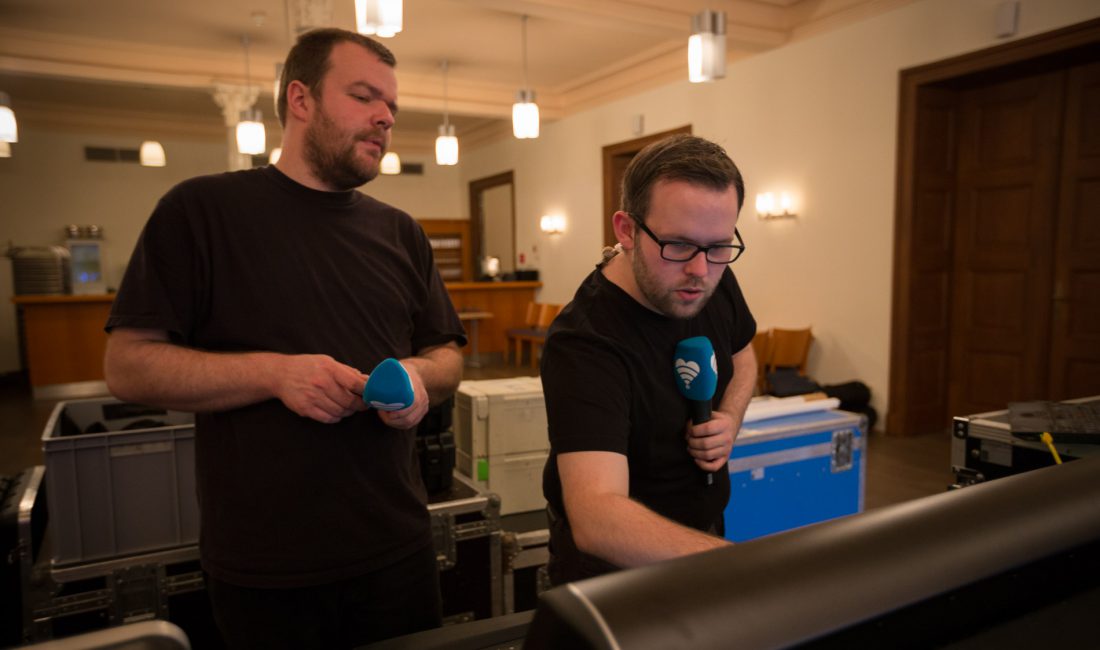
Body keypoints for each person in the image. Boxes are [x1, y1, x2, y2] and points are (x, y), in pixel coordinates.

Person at [103, 28, 466, 648]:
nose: (384, 117)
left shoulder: (402, 232)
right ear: (300, 100)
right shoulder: (200, 210)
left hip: (397, 547)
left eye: (392, 108)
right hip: (265, 568)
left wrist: (415, 377)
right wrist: (274, 374)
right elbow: (128, 366)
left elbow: (447, 355)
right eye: (363, 96)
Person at [540, 134, 757, 584]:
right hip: (613, 570)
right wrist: (737, 567)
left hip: (699, 539)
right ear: (627, 229)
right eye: (677, 245)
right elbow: (598, 517)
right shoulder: (585, 341)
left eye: (718, 247)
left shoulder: (714, 275)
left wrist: (730, 418)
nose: (700, 271)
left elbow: (745, 355)